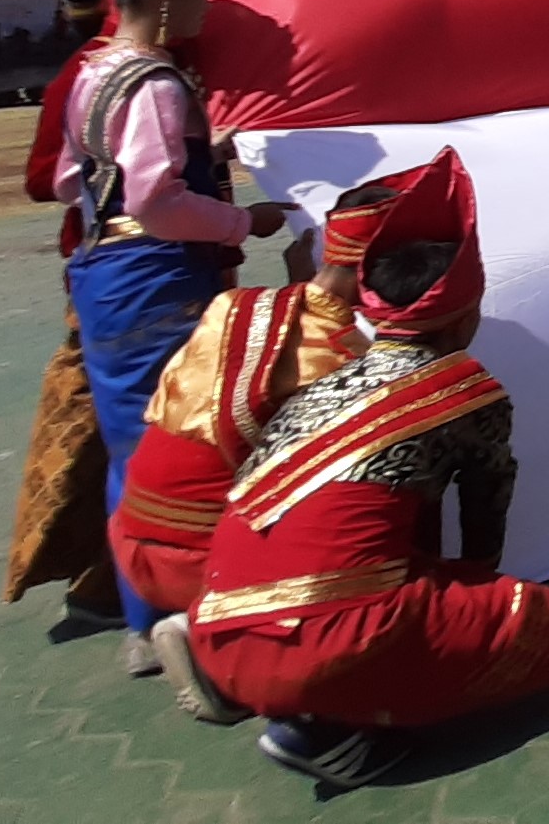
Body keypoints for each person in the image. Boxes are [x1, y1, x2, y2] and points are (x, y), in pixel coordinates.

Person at [185, 149, 549, 788]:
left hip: (216, 614)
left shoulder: (328, 381)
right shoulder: (463, 389)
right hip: (327, 639)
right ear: (467, 314)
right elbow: (486, 511)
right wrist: (475, 595)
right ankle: (328, 729)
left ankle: (257, 681)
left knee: (386, 569)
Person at [57, 0, 295, 677]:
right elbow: (156, 199)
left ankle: (143, 614)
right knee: (192, 435)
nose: (204, 6)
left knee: (135, 441)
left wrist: (207, 151)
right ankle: (192, 611)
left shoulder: (94, 73)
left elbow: (72, 180)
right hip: (157, 274)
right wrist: (240, 219)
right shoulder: (157, 84)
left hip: (104, 273)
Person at [124, 185, 387, 722]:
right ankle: (220, 640)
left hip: (134, 538)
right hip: (198, 561)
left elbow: (278, 361)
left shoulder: (235, 308)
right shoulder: (345, 359)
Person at [4, 0, 140, 626]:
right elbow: (44, 178)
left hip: (138, 271)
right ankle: (115, 582)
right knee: (123, 431)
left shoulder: (139, 58)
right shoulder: (101, 71)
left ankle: (110, 576)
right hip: (120, 275)